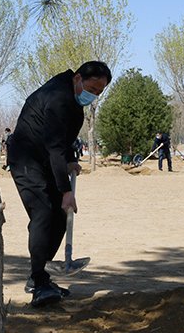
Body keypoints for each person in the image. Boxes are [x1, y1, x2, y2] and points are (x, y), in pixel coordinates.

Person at [7, 61, 111, 307]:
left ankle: (38, 275)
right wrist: (65, 191)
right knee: (43, 212)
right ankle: (39, 282)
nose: (93, 95)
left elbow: (64, 140)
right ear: (78, 79)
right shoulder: (58, 97)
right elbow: (55, 147)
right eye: (92, 88)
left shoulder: (72, 101)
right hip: (26, 160)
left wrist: (72, 159)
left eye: (99, 92)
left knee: (61, 217)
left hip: (45, 161)